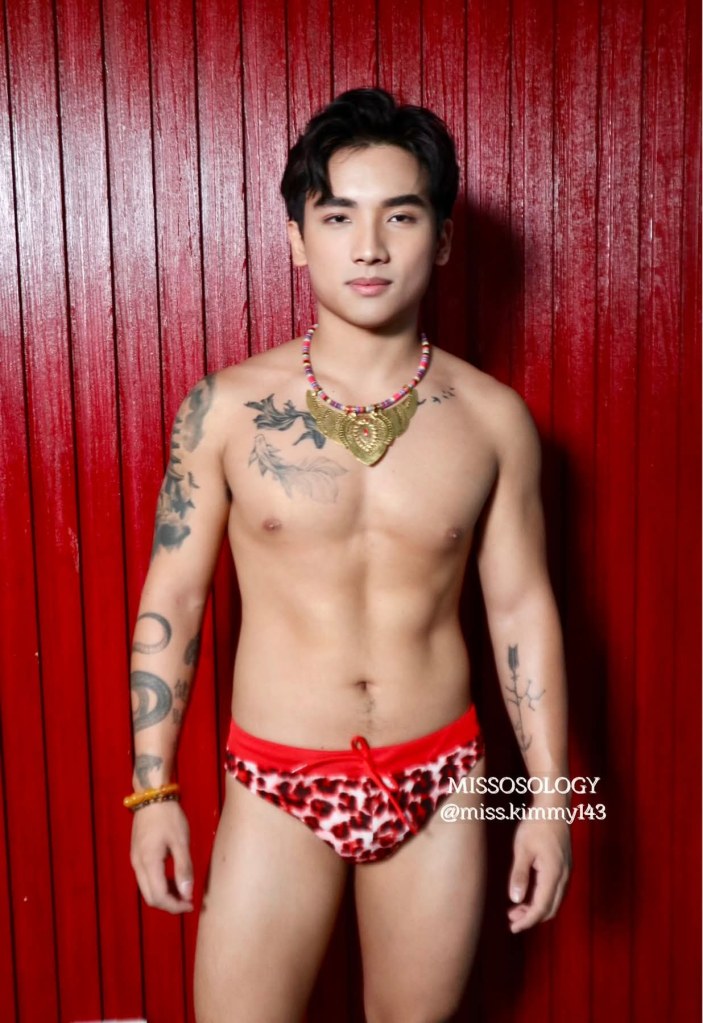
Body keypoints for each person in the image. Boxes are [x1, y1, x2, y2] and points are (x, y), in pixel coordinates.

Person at [126, 88, 571, 1023]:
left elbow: (521, 607)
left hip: (440, 779)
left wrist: (549, 802)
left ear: (441, 239)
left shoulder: (493, 421)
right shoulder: (225, 410)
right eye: (336, 217)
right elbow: (176, 594)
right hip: (275, 779)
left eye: (400, 216)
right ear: (297, 238)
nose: (368, 246)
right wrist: (152, 790)